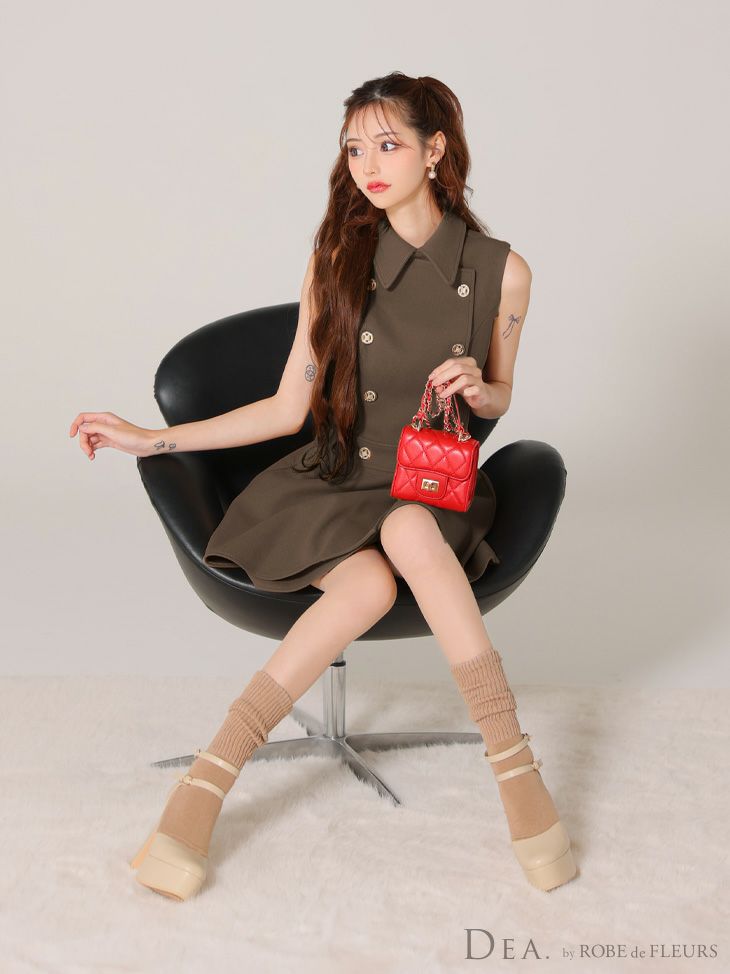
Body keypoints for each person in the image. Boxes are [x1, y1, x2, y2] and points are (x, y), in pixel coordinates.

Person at [69, 71, 577, 899]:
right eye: (354, 148)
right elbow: (286, 407)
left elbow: (502, 394)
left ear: (435, 150)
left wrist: (476, 388)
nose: (367, 165)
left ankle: (514, 766)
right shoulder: (338, 260)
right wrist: (148, 437)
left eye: (388, 145)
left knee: (408, 529)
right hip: (339, 478)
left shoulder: (503, 272)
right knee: (368, 582)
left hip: (429, 484)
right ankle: (207, 781)